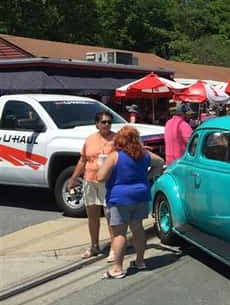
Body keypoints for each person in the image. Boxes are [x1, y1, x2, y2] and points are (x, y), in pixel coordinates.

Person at [97, 126, 164, 279]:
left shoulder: (115, 156)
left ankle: (117, 268)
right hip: (140, 195)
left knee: (119, 233)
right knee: (138, 229)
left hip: (119, 198)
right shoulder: (145, 154)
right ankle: (140, 261)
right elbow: (160, 162)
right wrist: (147, 176)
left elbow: (100, 177)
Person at [67, 111, 115, 260]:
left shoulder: (117, 139)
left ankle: (114, 248)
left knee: (110, 215)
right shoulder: (90, 139)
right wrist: (73, 178)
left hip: (108, 182)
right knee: (92, 216)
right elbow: (83, 160)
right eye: (103, 122)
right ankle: (94, 246)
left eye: (109, 122)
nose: (106, 124)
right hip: (90, 180)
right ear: (97, 124)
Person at [164, 102, 194, 166]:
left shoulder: (168, 123)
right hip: (180, 161)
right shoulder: (184, 125)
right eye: (188, 114)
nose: (190, 116)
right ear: (183, 114)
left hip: (169, 160)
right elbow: (191, 142)